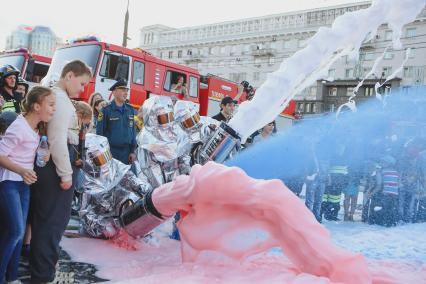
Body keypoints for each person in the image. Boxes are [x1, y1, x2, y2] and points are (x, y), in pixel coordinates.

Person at [30, 60, 92, 283]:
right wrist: (66, 175)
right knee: (51, 225)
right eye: (82, 83)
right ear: (70, 76)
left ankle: (42, 273)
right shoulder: (62, 101)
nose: (83, 89)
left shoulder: (58, 97)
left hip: (50, 167)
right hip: (55, 171)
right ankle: (42, 277)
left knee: (47, 223)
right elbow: (57, 141)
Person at [0, 86, 55, 284]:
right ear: (36, 106)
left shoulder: (36, 129)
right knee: (15, 231)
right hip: (9, 183)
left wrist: (43, 156)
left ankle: (11, 277)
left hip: (23, 184)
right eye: (51, 104)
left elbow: (29, 157)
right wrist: (22, 171)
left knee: (19, 232)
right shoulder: (19, 125)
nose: (53, 109)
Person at [96, 79, 137, 165]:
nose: (126, 93)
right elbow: (100, 134)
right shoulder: (106, 110)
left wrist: (133, 151)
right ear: (114, 92)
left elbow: (133, 131)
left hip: (127, 153)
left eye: (127, 90)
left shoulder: (130, 110)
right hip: (112, 153)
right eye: (123, 90)